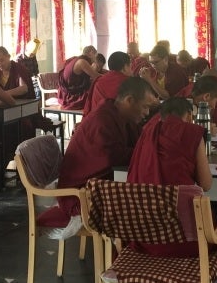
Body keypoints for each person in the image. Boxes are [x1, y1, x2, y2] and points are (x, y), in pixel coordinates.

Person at [127, 96, 217, 283]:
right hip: (188, 241)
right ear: (188, 115)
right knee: (216, 228)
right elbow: (206, 184)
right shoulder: (190, 132)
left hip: (147, 236)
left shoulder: (147, 132)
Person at [38, 77, 155, 228]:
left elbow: (136, 144)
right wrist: (148, 153)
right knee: (144, 203)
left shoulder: (118, 114)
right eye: (145, 107)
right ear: (129, 100)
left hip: (94, 187)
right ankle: (129, 247)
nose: (147, 113)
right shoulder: (102, 121)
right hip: (79, 195)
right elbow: (113, 158)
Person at [83, 51, 131, 116]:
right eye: (130, 66)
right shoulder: (129, 82)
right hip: (116, 122)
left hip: (96, 120)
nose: (131, 69)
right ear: (125, 67)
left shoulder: (99, 80)